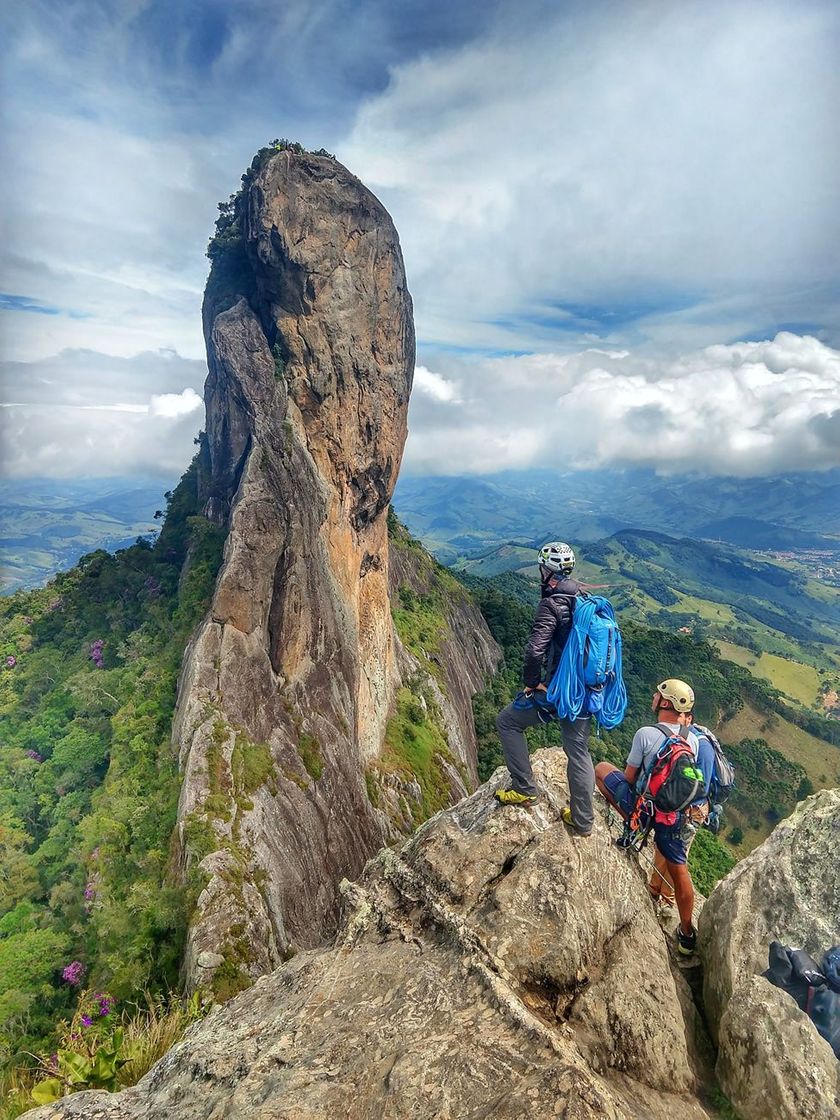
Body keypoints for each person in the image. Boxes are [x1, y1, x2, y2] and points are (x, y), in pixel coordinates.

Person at [594, 678, 703, 955]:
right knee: (680, 874)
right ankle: (687, 934)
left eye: (659, 694)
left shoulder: (645, 733)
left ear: (666, 703)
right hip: (673, 819)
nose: (654, 696)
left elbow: (629, 779)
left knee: (602, 769)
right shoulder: (692, 739)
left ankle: (631, 830)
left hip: (643, 813)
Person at [494, 541, 594, 836]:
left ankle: (524, 789)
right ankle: (583, 820)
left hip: (556, 691)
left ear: (546, 571)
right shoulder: (584, 599)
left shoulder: (552, 604)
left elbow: (534, 651)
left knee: (508, 721)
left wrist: (531, 683)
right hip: (584, 690)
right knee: (578, 750)